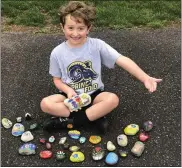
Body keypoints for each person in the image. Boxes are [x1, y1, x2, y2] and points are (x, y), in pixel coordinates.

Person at [40, 1, 162, 133]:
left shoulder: (97, 45)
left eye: (80, 28)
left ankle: (70, 122)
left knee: (112, 99)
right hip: (70, 97)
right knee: (45, 104)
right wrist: (68, 91)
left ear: (89, 28)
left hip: (94, 95)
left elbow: (121, 59)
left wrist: (144, 77)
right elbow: (56, 79)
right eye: (70, 28)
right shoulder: (57, 52)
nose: (75, 33)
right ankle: (92, 117)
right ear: (62, 27)